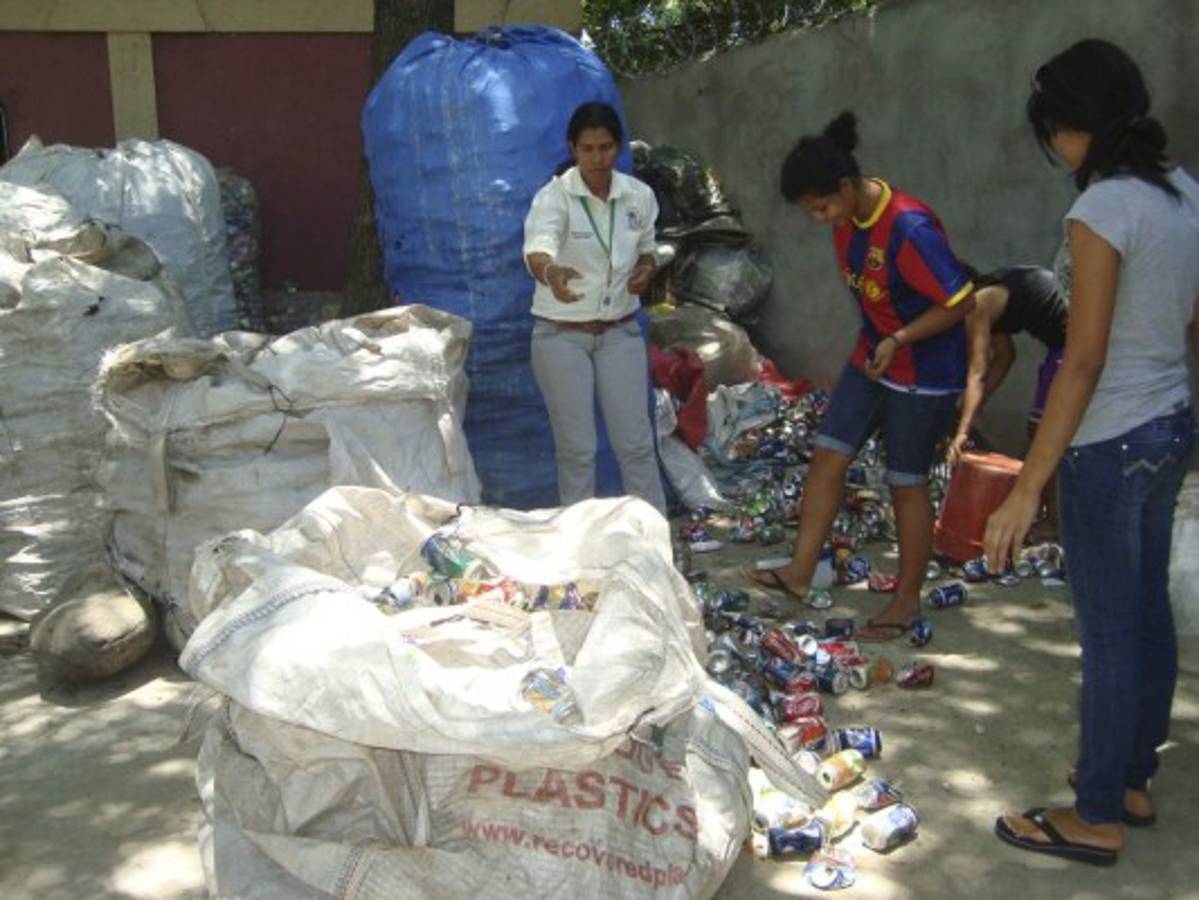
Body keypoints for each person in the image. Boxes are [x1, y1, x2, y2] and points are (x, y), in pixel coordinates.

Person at [986, 39, 1199, 865]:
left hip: (1109, 444)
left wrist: (1023, 486)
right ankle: (1131, 776)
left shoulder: (1102, 209)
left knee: (1108, 632)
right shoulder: (1183, 195)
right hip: (1169, 427)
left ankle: (1096, 813)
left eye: (1053, 130)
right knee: (1145, 613)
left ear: (1071, 125)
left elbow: (1082, 357)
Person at [745, 111, 975, 642]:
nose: (822, 219)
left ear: (846, 187)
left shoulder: (909, 227)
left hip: (924, 369)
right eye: (813, 211)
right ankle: (799, 574)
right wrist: (883, 342)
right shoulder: (848, 222)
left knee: (906, 483)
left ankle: (906, 600)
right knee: (828, 453)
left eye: (823, 206)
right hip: (873, 355)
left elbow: (960, 303)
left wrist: (900, 339)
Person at [523, 101, 667, 515]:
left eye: (605, 147)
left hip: (620, 331)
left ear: (619, 147)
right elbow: (538, 248)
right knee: (578, 451)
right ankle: (580, 549)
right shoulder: (554, 198)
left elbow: (648, 248)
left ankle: (653, 542)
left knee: (636, 445)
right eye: (587, 149)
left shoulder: (638, 196)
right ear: (572, 148)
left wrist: (646, 268)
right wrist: (551, 273)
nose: (597, 158)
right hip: (560, 336)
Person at [949, 265, 1069, 539]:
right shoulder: (993, 294)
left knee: (1043, 436)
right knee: (1044, 433)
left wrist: (963, 431)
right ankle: (1048, 515)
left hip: (1071, 348)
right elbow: (1004, 357)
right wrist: (975, 406)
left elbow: (977, 371)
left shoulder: (976, 305)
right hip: (1069, 343)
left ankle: (1049, 520)